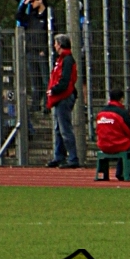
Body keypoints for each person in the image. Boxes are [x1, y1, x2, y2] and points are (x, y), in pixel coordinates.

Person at [94, 90, 130, 182]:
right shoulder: (122, 113)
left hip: (103, 145)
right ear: (121, 99)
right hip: (118, 144)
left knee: (124, 144)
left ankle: (120, 173)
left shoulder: (101, 113)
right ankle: (129, 172)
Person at [46, 34, 81, 169]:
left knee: (65, 129)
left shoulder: (67, 60)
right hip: (60, 97)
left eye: (56, 43)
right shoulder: (61, 59)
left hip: (64, 97)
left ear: (60, 44)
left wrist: (54, 90)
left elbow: (65, 80)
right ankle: (59, 156)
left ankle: (73, 158)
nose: (54, 46)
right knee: (58, 129)